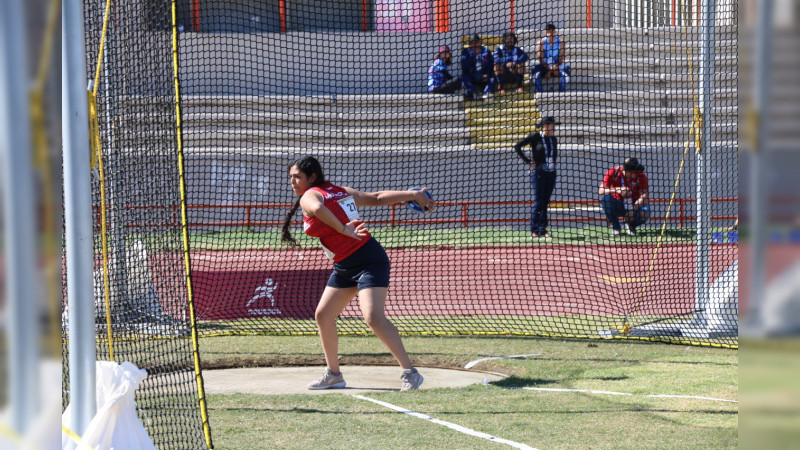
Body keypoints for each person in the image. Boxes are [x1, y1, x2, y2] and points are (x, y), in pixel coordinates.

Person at [281, 156, 435, 391]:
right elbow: (376, 198)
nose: (292, 181)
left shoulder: (310, 196)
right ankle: (334, 375)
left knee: (373, 317)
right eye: (291, 177)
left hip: (368, 260)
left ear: (312, 177)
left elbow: (318, 209)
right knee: (323, 315)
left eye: (297, 177)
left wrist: (342, 228)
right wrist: (412, 194)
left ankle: (411, 373)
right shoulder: (339, 191)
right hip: (344, 266)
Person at [513, 116, 561, 238]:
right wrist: (529, 162)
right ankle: (534, 229)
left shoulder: (553, 139)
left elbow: (552, 155)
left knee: (545, 202)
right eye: (551, 126)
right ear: (545, 126)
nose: (553, 128)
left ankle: (542, 229)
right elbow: (517, 147)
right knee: (538, 201)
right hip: (539, 173)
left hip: (551, 173)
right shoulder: (535, 137)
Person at [598, 157, 650, 236]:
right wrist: (617, 190)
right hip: (618, 203)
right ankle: (616, 228)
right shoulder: (613, 172)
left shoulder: (641, 176)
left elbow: (645, 195)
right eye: (634, 171)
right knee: (605, 200)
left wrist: (634, 209)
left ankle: (631, 226)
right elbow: (601, 191)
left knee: (645, 212)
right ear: (627, 171)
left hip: (635, 203)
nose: (636, 173)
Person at [531, 23, 571, 93]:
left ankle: (561, 92)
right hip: (545, 67)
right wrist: (549, 69)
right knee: (534, 69)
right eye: (549, 32)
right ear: (546, 32)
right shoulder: (541, 43)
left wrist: (552, 69)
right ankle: (541, 92)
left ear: (555, 32)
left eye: (552, 32)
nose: (551, 34)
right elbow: (541, 59)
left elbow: (561, 58)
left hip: (556, 66)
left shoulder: (561, 42)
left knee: (566, 68)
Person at [460, 33, 496, 100]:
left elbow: (490, 65)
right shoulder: (466, 52)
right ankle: (474, 93)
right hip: (472, 76)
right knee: (465, 78)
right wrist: (473, 56)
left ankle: (487, 94)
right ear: (470, 44)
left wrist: (487, 74)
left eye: (476, 42)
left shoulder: (486, 51)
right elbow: (465, 66)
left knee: (491, 79)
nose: (475, 44)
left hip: (483, 75)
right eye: (472, 43)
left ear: (479, 42)